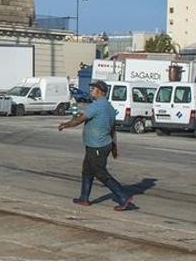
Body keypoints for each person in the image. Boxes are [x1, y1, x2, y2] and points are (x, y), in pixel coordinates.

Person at [57, 80, 138, 211]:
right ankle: (84, 198)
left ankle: (123, 196)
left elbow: (79, 119)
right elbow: (112, 129)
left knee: (100, 173)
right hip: (101, 145)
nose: (91, 91)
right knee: (87, 170)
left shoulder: (97, 106)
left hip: (97, 146)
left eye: (93, 89)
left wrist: (65, 124)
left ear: (99, 91)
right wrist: (114, 146)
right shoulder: (110, 107)